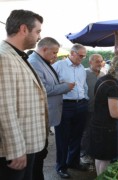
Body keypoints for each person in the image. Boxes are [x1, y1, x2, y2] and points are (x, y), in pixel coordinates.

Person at [0, 9, 47, 180]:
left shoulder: (17, 56)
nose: (39, 36)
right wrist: (16, 150)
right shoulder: (4, 57)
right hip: (16, 150)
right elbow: (4, 108)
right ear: (24, 29)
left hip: (27, 144)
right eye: (38, 31)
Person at [28, 37, 75, 180]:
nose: (55, 56)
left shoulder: (42, 61)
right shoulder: (35, 62)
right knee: (38, 155)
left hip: (47, 114)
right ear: (44, 49)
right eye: (54, 53)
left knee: (41, 154)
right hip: (41, 114)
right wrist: (65, 87)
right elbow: (44, 89)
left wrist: (60, 83)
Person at [52, 43, 89, 178]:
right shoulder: (58, 66)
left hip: (81, 105)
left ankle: (73, 162)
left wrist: (86, 99)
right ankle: (61, 166)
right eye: (80, 55)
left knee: (77, 137)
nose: (82, 58)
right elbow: (51, 86)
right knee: (63, 138)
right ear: (72, 53)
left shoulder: (81, 69)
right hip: (65, 106)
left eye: (84, 56)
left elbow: (83, 86)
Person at [81, 54, 105, 165]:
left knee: (96, 132)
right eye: (97, 61)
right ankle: (85, 154)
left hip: (100, 110)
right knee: (87, 132)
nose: (99, 64)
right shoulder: (84, 74)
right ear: (90, 62)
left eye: (101, 61)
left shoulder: (103, 75)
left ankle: (93, 153)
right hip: (87, 108)